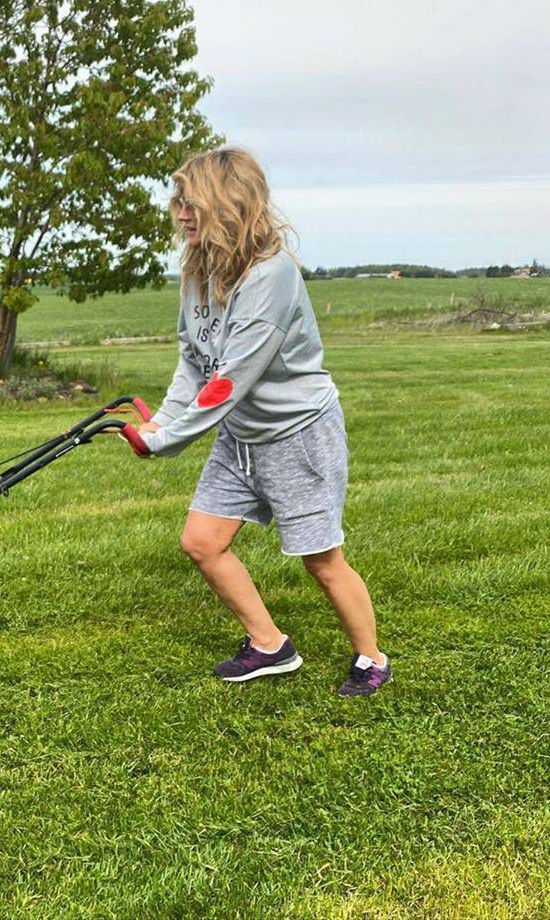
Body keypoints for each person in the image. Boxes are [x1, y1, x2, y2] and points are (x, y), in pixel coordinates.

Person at [134, 147, 391, 696]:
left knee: (321, 560)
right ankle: (271, 645)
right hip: (240, 436)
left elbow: (231, 378)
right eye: (177, 200)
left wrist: (168, 442)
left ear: (227, 205)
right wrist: (160, 421)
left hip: (298, 435)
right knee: (202, 541)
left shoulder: (271, 276)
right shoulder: (198, 269)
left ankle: (371, 658)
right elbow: (193, 359)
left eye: (190, 201)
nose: (178, 212)